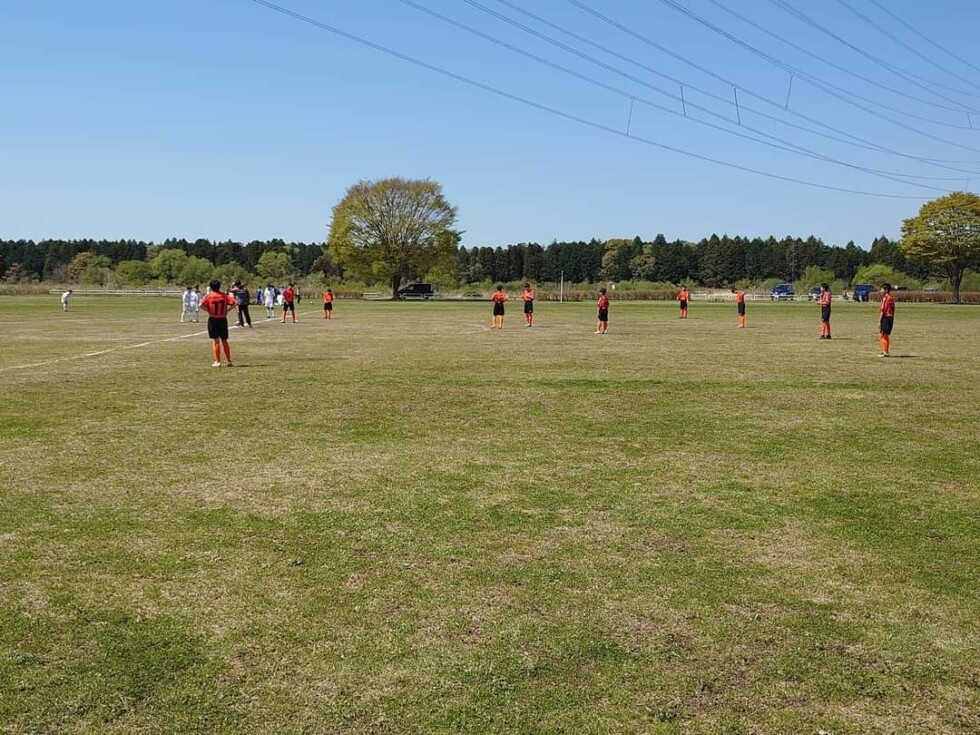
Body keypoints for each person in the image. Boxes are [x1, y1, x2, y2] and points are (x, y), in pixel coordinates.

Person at [199, 278, 236, 367]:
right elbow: (235, 303)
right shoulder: (224, 296)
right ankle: (229, 361)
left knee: (216, 341)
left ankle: (218, 361)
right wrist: (227, 310)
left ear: (211, 287)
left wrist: (208, 310)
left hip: (213, 319)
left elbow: (200, 305)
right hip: (223, 319)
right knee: (224, 340)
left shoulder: (209, 296)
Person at [878, 283, 895, 357]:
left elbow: (883, 310)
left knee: (883, 335)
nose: (880, 291)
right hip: (890, 317)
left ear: (886, 290)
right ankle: (884, 350)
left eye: (881, 289)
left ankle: (885, 351)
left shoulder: (886, 298)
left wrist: (879, 320)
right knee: (884, 334)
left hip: (886, 317)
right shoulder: (891, 298)